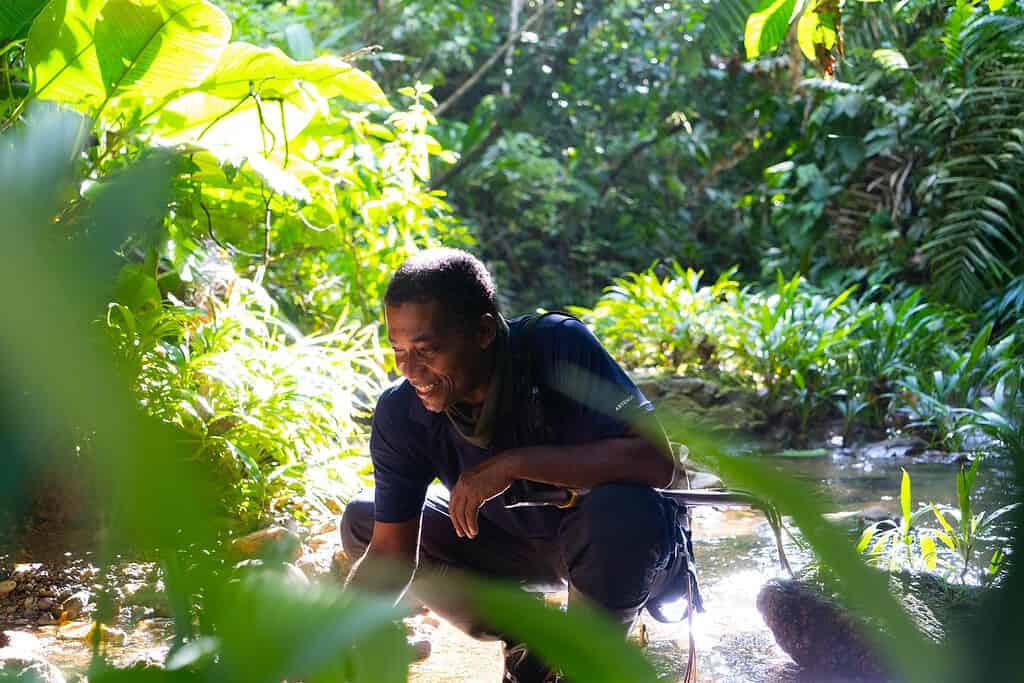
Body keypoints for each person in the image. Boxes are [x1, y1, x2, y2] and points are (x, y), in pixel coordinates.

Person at [340, 248, 698, 683]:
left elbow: (655, 460)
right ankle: (533, 642)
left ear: (484, 332)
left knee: (620, 508)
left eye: (426, 350)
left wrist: (514, 464)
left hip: (620, 544)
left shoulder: (557, 348)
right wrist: (321, 643)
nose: (409, 368)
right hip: (515, 548)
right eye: (398, 348)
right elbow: (390, 556)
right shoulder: (402, 413)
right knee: (364, 518)